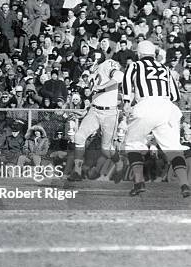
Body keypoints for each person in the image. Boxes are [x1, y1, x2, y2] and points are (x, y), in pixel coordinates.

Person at [123, 40, 189, 197]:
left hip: (145, 105)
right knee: (173, 149)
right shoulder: (165, 68)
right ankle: (185, 184)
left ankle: (139, 182)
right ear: (154, 54)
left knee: (132, 145)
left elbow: (127, 81)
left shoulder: (135, 65)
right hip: (166, 107)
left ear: (139, 54)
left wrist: (126, 101)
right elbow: (175, 96)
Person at [70, 58, 124, 181]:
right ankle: (77, 172)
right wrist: (86, 111)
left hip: (109, 112)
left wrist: (101, 87)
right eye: (87, 60)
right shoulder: (90, 75)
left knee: (106, 150)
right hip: (94, 110)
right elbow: (96, 96)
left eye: (91, 60)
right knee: (79, 136)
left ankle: (119, 164)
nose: (88, 63)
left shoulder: (106, 64)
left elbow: (119, 76)